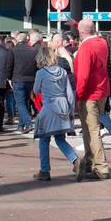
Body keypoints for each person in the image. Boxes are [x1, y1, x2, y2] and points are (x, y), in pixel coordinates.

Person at [33, 42, 80, 181]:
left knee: (44, 139)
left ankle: (45, 170)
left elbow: (36, 90)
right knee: (60, 139)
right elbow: (70, 94)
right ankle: (75, 160)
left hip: (49, 107)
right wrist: (71, 110)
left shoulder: (41, 73)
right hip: (63, 106)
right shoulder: (63, 71)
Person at [73, 19, 111, 180]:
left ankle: (101, 167)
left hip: (89, 93)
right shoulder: (102, 42)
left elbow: (83, 75)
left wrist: (78, 96)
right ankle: (89, 161)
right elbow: (86, 31)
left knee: (92, 130)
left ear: (81, 32)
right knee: (91, 129)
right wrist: (77, 24)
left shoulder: (85, 47)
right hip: (102, 90)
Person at [11, 30, 40, 134]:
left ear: (17, 40)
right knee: (25, 103)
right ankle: (21, 125)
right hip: (31, 80)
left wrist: (9, 78)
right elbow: (37, 66)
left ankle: (28, 123)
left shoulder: (13, 50)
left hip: (17, 79)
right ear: (27, 39)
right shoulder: (33, 50)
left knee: (20, 103)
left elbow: (9, 65)